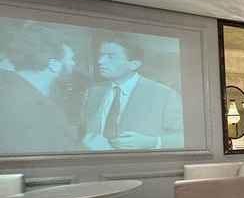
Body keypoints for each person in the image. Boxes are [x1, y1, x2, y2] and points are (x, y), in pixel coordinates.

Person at [82, 34, 183, 150]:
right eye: (101, 55)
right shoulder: (93, 93)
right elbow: (82, 132)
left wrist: (153, 142)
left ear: (134, 64)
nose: (100, 61)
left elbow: (186, 137)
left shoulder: (164, 95)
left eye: (110, 56)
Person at [0, 22, 78, 154]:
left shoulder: (12, 90)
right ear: (54, 65)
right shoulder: (26, 104)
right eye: (71, 59)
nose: (73, 64)